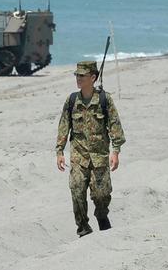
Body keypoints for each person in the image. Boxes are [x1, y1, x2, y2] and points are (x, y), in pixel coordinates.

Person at [56, 60, 126, 237]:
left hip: (99, 156)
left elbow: (115, 125)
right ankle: (83, 229)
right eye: (77, 75)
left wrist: (115, 151)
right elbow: (64, 127)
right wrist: (59, 151)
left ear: (93, 78)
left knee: (101, 195)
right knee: (77, 190)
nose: (78, 78)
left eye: (82, 76)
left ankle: (102, 216)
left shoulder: (104, 99)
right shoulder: (72, 100)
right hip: (79, 157)